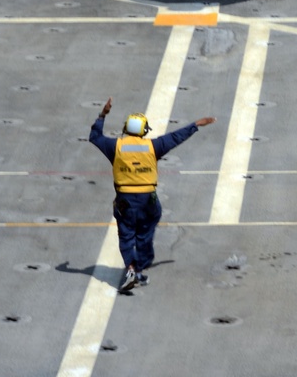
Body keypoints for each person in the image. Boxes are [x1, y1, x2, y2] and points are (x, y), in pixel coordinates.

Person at [90, 96, 216, 293]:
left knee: (126, 234)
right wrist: (196, 124)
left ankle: (131, 269)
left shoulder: (116, 147)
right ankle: (139, 267)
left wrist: (103, 114)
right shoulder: (152, 147)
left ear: (125, 129)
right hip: (148, 199)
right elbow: (176, 137)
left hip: (125, 200)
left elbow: (95, 137)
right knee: (146, 231)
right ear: (143, 131)